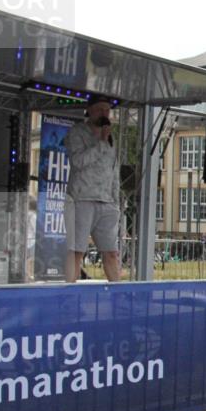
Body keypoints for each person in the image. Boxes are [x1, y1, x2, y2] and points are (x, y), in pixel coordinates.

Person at [63, 95, 121, 282]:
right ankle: (69, 292)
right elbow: (78, 161)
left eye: (107, 110)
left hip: (107, 202)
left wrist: (116, 201)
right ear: (89, 110)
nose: (104, 113)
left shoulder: (110, 137)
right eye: (100, 109)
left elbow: (114, 170)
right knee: (77, 251)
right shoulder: (77, 132)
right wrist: (101, 143)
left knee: (111, 253)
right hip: (82, 199)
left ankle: (118, 292)